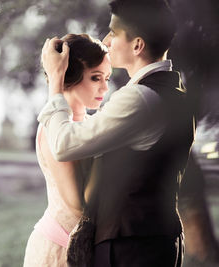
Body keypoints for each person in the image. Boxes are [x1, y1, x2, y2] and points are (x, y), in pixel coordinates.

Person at [39, 0, 195, 266]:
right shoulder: (173, 92)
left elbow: (64, 144)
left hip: (131, 247)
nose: (107, 40)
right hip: (154, 241)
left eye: (113, 32)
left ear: (137, 45)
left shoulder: (140, 98)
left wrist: (56, 79)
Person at [23, 33, 111, 267]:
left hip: (87, 249)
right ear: (70, 77)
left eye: (107, 78)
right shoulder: (54, 127)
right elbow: (77, 205)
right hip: (57, 250)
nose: (105, 87)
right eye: (95, 78)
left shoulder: (91, 123)